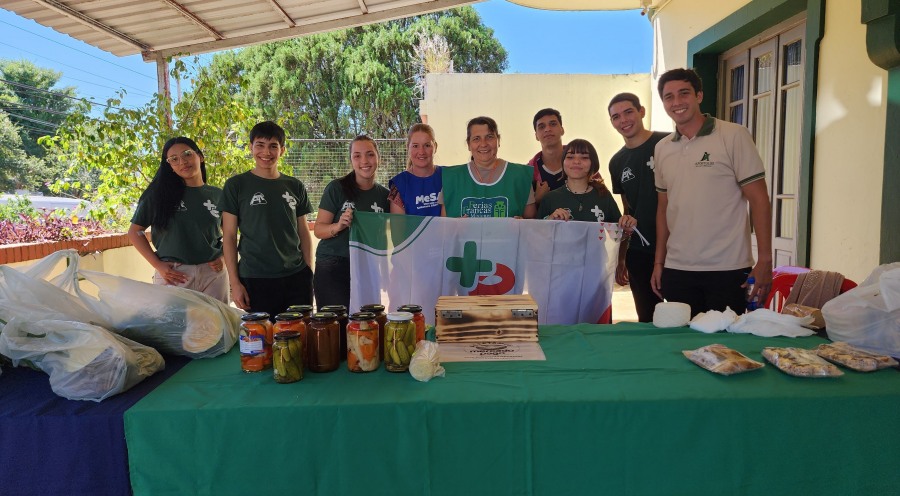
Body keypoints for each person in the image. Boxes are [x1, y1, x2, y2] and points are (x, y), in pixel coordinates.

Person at [651, 68, 773, 317]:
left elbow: (759, 200)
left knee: (725, 340)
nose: (677, 102)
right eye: (668, 97)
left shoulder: (733, 135)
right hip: (677, 269)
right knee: (679, 339)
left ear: (699, 95)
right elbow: (664, 209)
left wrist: (765, 260)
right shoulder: (662, 148)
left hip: (728, 269)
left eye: (684, 93)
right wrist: (659, 262)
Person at [220, 121, 314, 318]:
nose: (266, 152)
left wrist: (308, 271)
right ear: (250, 147)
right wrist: (235, 283)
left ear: (282, 150)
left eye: (273, 146)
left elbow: (303, 232)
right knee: (263, 335)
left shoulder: (294, 186)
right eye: (260, 145)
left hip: (296, 276)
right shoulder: (236, 185)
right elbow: (229, 236)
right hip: (255, 277)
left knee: (300, 332)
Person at [127, 137, 228, 303]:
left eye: (187, 154)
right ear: (170, 166)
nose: (182, 162)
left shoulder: (218, 195)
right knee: (173, 320)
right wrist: (158, 265)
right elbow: (134, 232)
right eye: (174, 159)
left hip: (213, 274)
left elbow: (230, 233)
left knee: (217, 320)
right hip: (174, 274)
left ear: (200, 156)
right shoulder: (158, 195)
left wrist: (223, 257)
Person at [607, 93, 668, 322]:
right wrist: (622, 256)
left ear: (641, 111)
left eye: (628, 112)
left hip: (678, 247)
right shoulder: (617, 162)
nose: (623, 120)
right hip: (641, 251)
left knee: (686, 318)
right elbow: (628, 210)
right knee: (649, 320)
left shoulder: (668, 143)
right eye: (616, 117)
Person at [313, 135, 390, 310]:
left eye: (370, 154)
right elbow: (318, 229)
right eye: (357, 156)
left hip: (366, 265)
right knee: (336, 321)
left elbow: (383, 236)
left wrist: (385, 269)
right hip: (334, 264)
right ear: (351, 160)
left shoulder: (384, 195)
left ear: (378, 157)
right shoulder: (336, 188)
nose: (364, 161)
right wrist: (338, 226)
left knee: (367, 320)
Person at [440, 116, 536, 218]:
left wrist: (523, 223)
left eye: (489, 137)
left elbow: (532, 221)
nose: (483, 144)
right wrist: (454, 224)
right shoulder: (452, 178)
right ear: (468, 144)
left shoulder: (520, 176)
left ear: (498, 140)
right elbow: (444, 225)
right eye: (476, 139)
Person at [538, 139, 636, 232]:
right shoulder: (550, 198)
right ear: (563, 162)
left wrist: (627, 227)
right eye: (570, 157)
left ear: (593, 163)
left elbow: (617, 235)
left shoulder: (604, 196)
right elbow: (536, 235)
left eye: (584, 157)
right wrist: (550, 221)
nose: (576, 161)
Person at [388, 123, 442, 216]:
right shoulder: (399, 185)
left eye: (427, 145)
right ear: (407, 147)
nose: (421, 152)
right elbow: (398, 225)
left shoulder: (448, 176)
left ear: (435, 147)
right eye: (415, 146)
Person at [528, 108, 566, 206]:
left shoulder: (583, 162)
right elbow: (522, 212)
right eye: (541, 126)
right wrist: (537, 200)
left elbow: (600, 194)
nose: (547, 129)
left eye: (553, 124)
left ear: (562, 130)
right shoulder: (528, 173)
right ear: (536, 136)